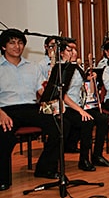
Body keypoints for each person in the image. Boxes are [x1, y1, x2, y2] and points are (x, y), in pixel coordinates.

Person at [0, 29, 62, 191]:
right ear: (3, 47)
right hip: (6, 110)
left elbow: (41, 91)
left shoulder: (32, 67)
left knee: (59, 126)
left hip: (31, 108)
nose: (17, 46)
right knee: (4, 134)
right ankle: (2, 178)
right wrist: (0, 114)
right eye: (12, 42)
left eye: (20, 42)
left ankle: (44, 168)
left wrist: (50, 99)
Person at [60, 41, 109, 171]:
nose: (73, 53)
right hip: (66, 107)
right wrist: (80, 110)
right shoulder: (61, 69)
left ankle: (97, 155)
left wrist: (90, 79)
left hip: (80, 105)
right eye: (69, 50)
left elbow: (83, 87)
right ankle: (84, 159)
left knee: (102, 119)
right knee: (87, 121)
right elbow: (62, 95)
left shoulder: (76, 67)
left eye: (75, 50)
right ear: (61, 53)